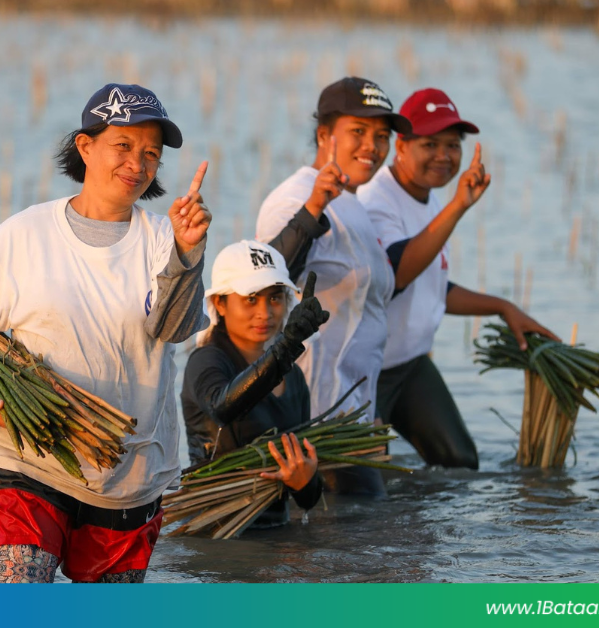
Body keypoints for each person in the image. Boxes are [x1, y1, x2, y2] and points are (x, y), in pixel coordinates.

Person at [0, 83, 211, 583]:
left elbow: (174, 328)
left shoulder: (163, 236)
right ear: (85, 146)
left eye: (151, 154)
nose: (137, 164)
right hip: (29, 457)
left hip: (130, 473)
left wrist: (187, 254)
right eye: (123, 146)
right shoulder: (25, 235)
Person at [357, 87, 557, 470]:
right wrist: (458, 206)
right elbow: (397, 275)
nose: (444, 157)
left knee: (460, 463)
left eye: (453, 145)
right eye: (430, 144)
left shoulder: (429, 196)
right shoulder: (374, 199)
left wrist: (503, 307)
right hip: (366, 370)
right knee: (365, 485)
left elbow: (431, 288)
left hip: (409, 364)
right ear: (401, 146)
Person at [254, 77, 410, 496]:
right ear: (324, 135)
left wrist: (370, 414)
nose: (372, 147)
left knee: (355, 546)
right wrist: (313, 209)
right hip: (316, 422)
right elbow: (266, 283)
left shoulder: (354, 203)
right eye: (357, 132)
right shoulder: (293, 198)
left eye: (381, 136)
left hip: (353, 417)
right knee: (339, 547)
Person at [180, 240, 329, 528]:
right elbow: (223, 407)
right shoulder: (206, 361)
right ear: (220, 304)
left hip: (275, 531)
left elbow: (308, 498)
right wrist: (287, 345)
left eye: (275, 298)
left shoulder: (293, 377)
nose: (265, 312)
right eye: (251, 299)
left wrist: (305, 482)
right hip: (214, 534)